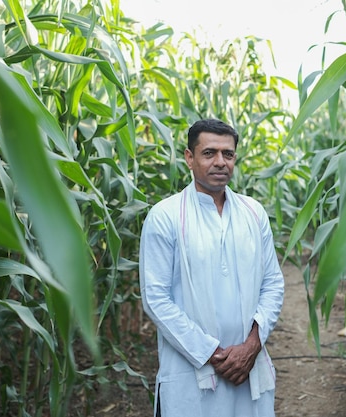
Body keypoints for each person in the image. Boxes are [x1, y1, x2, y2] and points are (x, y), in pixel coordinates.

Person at [139, 118, 285, 417]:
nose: (220, 162)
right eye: (209, 153)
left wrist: (251, 346)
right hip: (192, 372)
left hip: (249, 367)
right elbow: (156, 299)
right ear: (189, 158)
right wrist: (211, 354)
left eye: (228, 154)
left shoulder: (253, 213)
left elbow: (272, 283)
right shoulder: (165, 216)